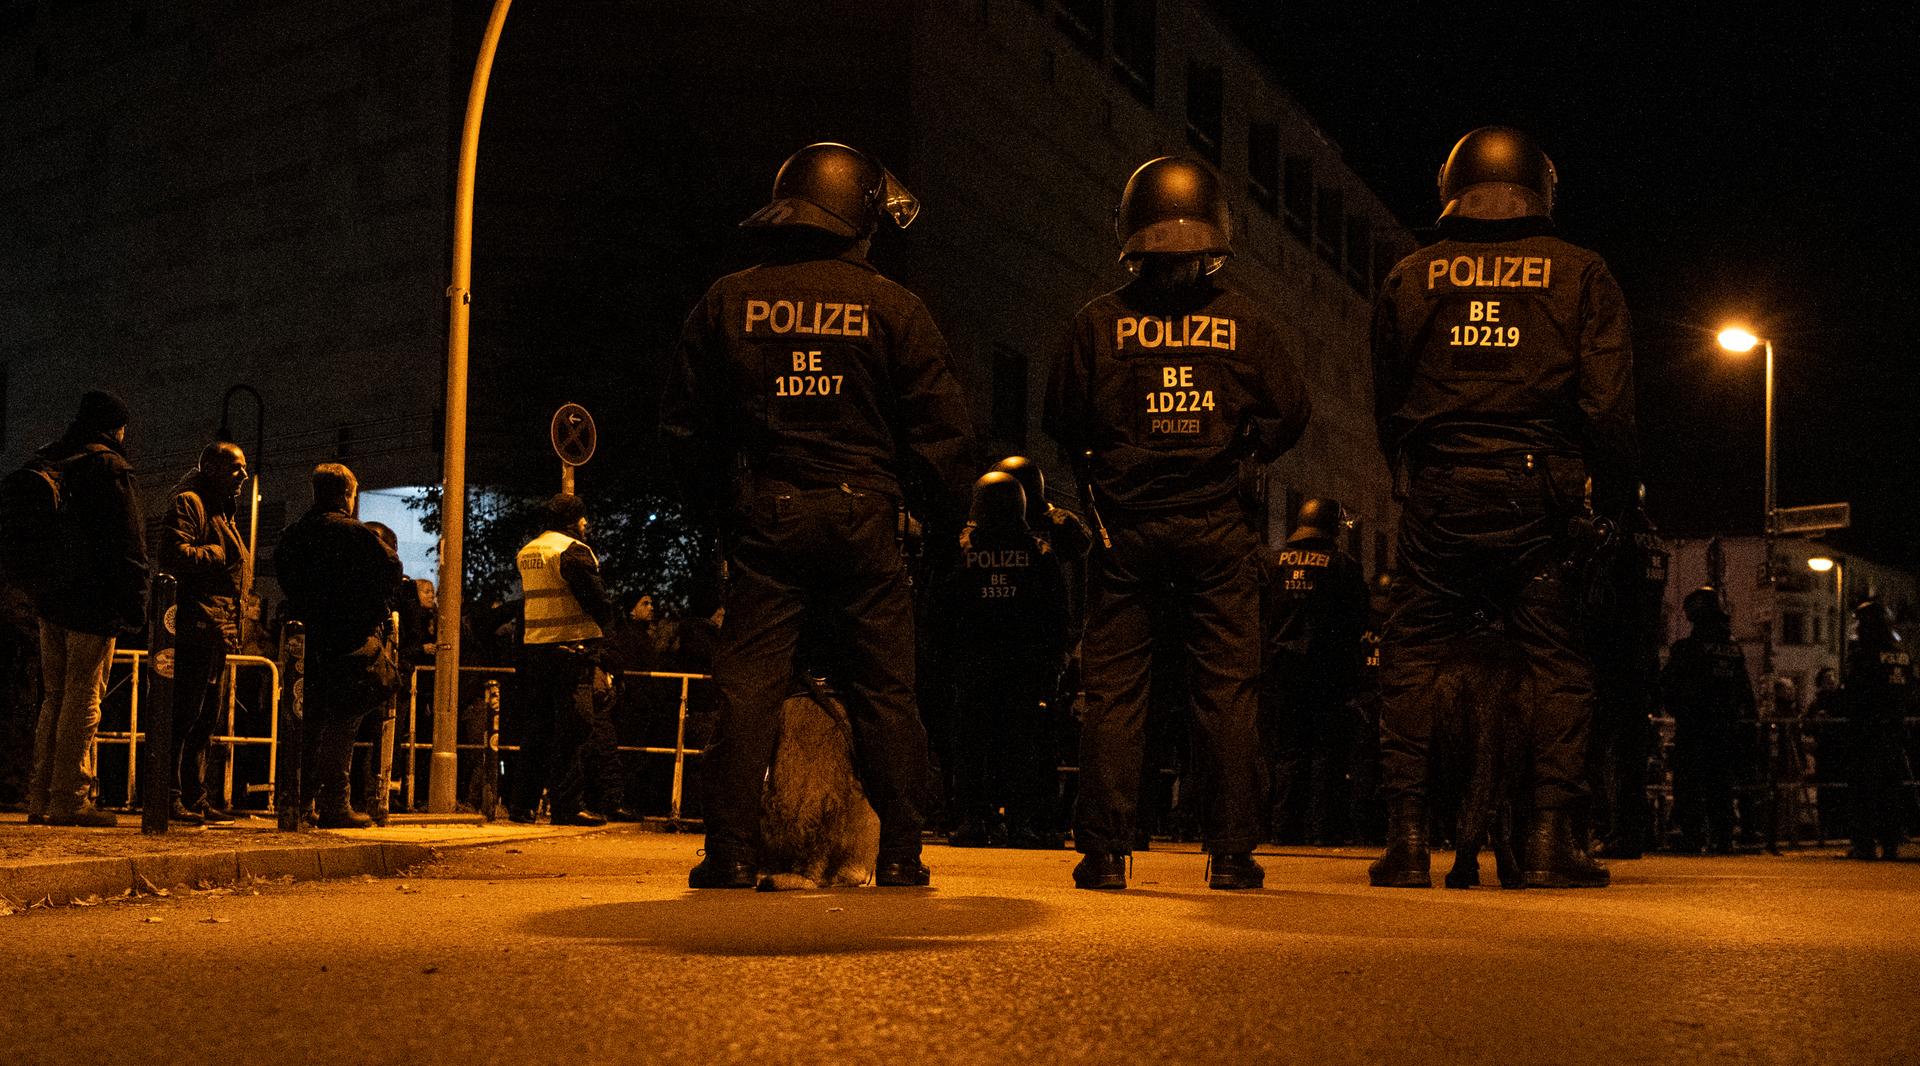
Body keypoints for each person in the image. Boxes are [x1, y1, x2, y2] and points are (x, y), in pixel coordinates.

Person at [662, 141, 974, 889]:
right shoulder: (897, 308)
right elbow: (944, 436)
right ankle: (901, 852)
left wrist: (725, 516)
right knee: (885, 693)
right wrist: (934, 525)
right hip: (867, 520)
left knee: (748, 691)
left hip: (769, 518)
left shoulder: (728, 301)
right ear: (859, 217)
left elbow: (685, 433)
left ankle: (730, 852)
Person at [1370, 126, 1635, 889]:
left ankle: (1409, 838)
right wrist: (1608, 506)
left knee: (1413, 655)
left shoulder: (1411, 275)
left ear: (1454, 188)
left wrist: (1412, 470)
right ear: (1539, 189)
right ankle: (1551, 837)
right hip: (1540, 496)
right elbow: (1609, 409)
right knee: (1558, 664)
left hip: (1443, 494)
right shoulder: (1583, 274)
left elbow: (1388, 400)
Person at [1044, 155, 1310, 891]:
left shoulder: (1098, 323)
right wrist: (1245, 453)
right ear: (1214, 238)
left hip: (1126, 533)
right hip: (1217, 531)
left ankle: (1103, 852)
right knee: (1227, 691)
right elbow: (1291, 411)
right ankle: (1229, 853)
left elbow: (1061, 420)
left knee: (1116, 691)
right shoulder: (1245, 323)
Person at [20, 390, 148, 827]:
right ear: (115, 427)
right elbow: (128, 543)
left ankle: (40, 796)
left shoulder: (54, 460)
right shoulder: (109, 468)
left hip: (48, 599)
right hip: (92, 602)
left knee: (53, 697)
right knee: (84, 697)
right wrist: (137, 604)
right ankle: (71, 797)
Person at [936, 471, 1069, 848]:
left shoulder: (962, 552)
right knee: (1024, 742)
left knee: (971, 742)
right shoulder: (1039, 553)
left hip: (975, 663)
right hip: (1023, 665)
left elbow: (941, 610)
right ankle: (1022, 821)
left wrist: (943, 659)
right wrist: (1054, 660)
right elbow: (1057, 612)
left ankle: (974, 818)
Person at [272, 463, 402, 828]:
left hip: (307, 638)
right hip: (348, 635)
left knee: (306, 722)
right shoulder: (356, 534)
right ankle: (335, 802)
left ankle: (298, 800)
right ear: (347, 494)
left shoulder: (294, 535)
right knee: (344, 722)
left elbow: (284, 575)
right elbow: (391, 569)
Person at [1263, 497, 1368, 845]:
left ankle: (1281, 830)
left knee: (1286, 751)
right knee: (1325, 752)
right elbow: (1359, 619)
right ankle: (1321, 830)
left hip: (1280, 671)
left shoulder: (1273, 563)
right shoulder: (1343, 565)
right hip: (1328, 672)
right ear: (1331, 526)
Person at [159, 441, 252, 826]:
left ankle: (196, 797)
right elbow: (173, 554)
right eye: (235, 468)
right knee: (185, 714)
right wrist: (218, 552)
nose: (243, 476)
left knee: (205, 717)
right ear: (211, 468)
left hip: (216, 627)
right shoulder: (191, 503)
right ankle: (169, 796)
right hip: (196, 625)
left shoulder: (220, 508)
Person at [509, 494, 615, 827]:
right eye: (583, 519)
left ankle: (522, 805)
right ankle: (567, 806)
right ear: (573, 521)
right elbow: (596, 601)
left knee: (538, 729)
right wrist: (609, 634)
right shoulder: (571, 551)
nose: (587, 524)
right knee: (575, 727)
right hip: (571, 649)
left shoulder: (528, 552)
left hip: (536, 649)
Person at [1583, 488, 1667, 858]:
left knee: (1603, 746)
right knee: (1632, 748)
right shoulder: (1653, 534)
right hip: (1642, 651)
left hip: (1612, 648)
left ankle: (1611, 829)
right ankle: (1635, 829)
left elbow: (1598, 589)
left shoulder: (1611, 528)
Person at [1660, 587, 1753, 854]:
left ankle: (1693, 837)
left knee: (1690, 783)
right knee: (1720, 783)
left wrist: (1679, 709)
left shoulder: (1687, 649)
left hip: (1694, 727)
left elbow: (1669, 685)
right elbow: (1743, 690)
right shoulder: (1734, 650)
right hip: (1725, 728)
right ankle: (1722, 837)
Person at [1841, 599, 1911, 860]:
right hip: (1894, 731)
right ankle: (1891, 842)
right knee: (1891, 789)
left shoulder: (1863, 654)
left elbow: (1853, 692)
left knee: (1864, 789)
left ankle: (1865, 844)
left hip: (1867, 732)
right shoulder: (1901, 653)